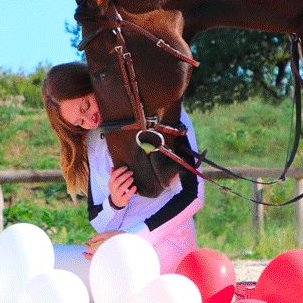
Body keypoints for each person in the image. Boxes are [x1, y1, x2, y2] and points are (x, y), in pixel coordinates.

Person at [42, 62, 204, 274]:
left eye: (86, 106)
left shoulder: (163, 111)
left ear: (94, 84)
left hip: (165, 245)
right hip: (118, 249)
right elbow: (99, 222)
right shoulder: (92, 138)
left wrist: (131, 237)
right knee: (47, 259)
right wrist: (115, 203)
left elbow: (194, 195)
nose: (90, 121)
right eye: (79, 122)